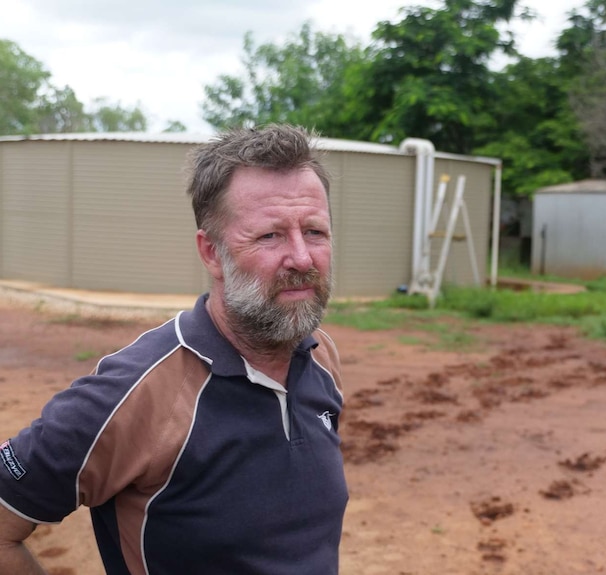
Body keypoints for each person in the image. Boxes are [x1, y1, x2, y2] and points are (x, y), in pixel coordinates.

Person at [0, 124, 348, 574]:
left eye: (315, 231)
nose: (302, 258)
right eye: (270, 236)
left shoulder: (320, 358)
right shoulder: (137, 390)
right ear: (211, 252)